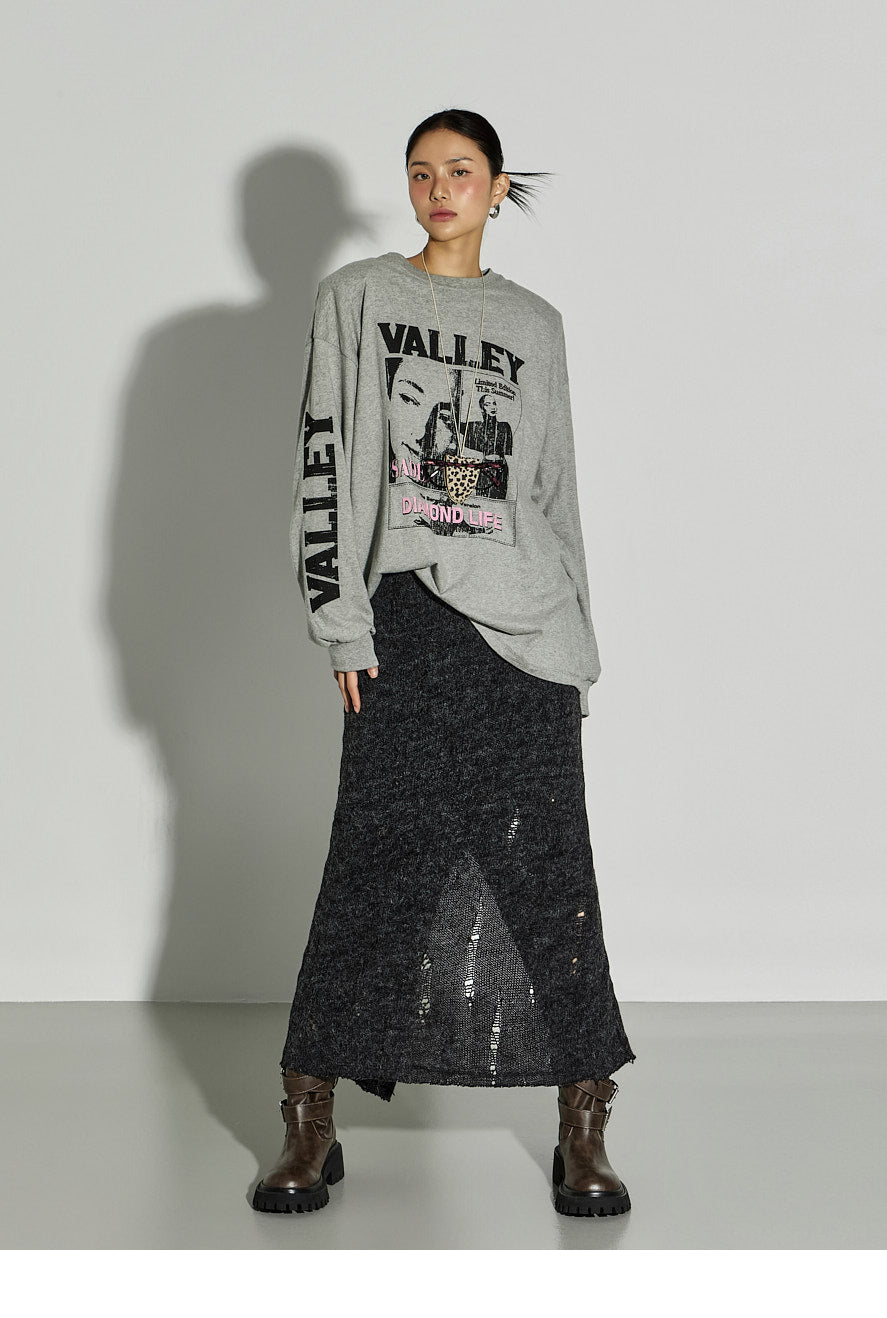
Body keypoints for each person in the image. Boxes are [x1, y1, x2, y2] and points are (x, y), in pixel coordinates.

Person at [252, 109, 637, 1219]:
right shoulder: (357, 298)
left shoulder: (534, 323)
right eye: (421, 172)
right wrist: (341, 622)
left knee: (550, 877)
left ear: (497, 186)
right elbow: (325, 463)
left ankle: (582, 1125)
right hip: (408, 615)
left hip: (528, 630)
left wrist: (577, 647)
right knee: (374, 862)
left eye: (460, 171)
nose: (438, 188)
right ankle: (309, 1119)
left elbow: (553, 492)